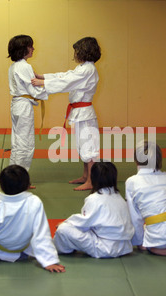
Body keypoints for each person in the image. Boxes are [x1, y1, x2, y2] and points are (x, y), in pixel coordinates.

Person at [32, 37, 101, 191]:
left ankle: (91, 180)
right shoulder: (83, 68)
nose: (75, 54)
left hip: (85, 114)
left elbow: (68, 82)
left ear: (84, 51)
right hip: (79, 112)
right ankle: (85, 176)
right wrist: (45, 77)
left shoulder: (88, 69)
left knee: (89, 147)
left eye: (77, 51)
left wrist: (44, 84)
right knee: (83, 146)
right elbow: (66, 76)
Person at [53, 162, 134, 258]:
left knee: (63, 230)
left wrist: (66, 223)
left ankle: (59, 249)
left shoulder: (94, 199)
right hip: (124, 247)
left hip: (104, 248)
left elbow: (84, 223)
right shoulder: (119, 197)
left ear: (93, 178)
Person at [7, 35, 48, 177]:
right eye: (31, 46)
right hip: (23, 106)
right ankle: (19, 178)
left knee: (17, 142)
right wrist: (49, 87)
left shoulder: (13, 66)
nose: (33, 49)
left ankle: (12, 175)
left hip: (17, 104)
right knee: (26, 144)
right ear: (23, 49)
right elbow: (34, 90)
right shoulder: (25, 66)